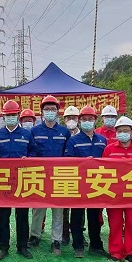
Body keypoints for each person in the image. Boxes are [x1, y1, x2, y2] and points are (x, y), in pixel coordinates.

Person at [0, 99, 36, 260]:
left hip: (22, 179)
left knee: (22, 215)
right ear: (3, 117)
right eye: (8, 115)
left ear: (18, 115)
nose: (10, 117)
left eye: (13, 115)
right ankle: (3, 246)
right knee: (2, 215)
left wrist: (28, 158)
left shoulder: (26, 134)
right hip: (3, 181)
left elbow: (34, 152)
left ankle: (22, 246)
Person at [102, 116, 132, 262]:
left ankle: (130, 252)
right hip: (114, 193)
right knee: (115, 223)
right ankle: (115, 252)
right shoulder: (109, 149)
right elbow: (103, 169)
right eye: (120, 131)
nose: (123, 133)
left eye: (126, 130)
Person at [64, 105, 109, 258]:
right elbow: (68, 162)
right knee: (77, 215)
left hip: (97, 183)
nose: (87, 122)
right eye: (84, 119)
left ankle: (96, 245)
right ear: (80, 121)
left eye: (90, 119)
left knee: (94, 216)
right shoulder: (73, 141)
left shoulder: (102, 140)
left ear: (95, 121)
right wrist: (83, 163)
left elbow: (108, 161)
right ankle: (78, 246)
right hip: (78, 183)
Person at [28, 95, 70, 255]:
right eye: (47, 109)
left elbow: (68, 154)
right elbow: (31, 151)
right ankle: (35, 236)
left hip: (59, 176)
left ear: (57, 112)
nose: (50, 112)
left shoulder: (64, 132)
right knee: (38, 208)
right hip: (40, 175)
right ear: (42, 112)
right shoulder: (34, 131)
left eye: (53, 109)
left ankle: (56, 240)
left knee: (58, 210)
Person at [60, 105, 81, 245]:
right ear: (64, 119)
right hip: (64, 174)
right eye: (69, 118)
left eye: (74, 118)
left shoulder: (82, 134)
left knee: (79, 207)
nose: (71, 120)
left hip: (81, 175)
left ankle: (78, 233)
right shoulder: (62, 133)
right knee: (64, 206)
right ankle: (64, 232)